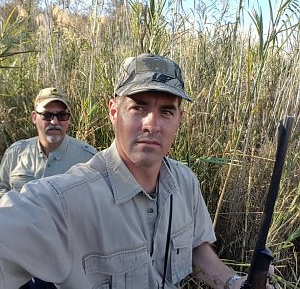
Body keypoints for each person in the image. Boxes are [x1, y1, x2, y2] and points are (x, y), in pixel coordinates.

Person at [0, 54, 273, 289]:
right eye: (138, 107)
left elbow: (195, 249)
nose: (152, 125)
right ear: (114, 111)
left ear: (180, 119)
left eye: (166, 111)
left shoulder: (185, 182)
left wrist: (233, 283)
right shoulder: (66, 198)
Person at [0, 87, 97, 289]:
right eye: (47, 115)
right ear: (34, 117)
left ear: (69, 119)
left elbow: (97, 208)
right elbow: (2, 188)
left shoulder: (87, 157)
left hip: (65, 259)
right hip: (18, 255)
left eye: (62, 115)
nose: (54, 122)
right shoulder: (16, 152)